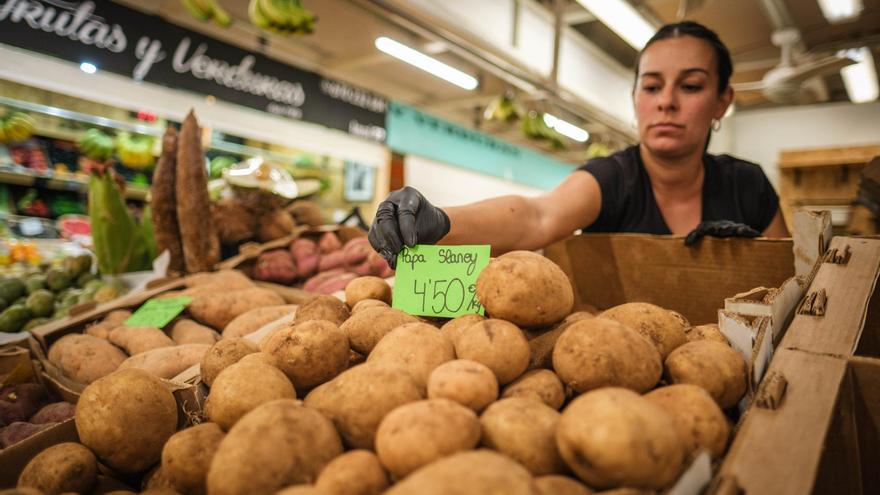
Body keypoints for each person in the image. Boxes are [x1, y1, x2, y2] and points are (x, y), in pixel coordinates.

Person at [369, 21, 790, 267]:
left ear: (722, 101)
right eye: (652, 86)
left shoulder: (747, 185)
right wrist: (440, 221)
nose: (666, 102)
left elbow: (789, 282)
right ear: (635, 99)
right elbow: (537, 217)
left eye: (692, 85)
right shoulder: (614, 179)